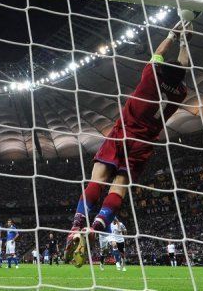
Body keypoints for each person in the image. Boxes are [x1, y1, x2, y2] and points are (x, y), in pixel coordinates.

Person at [65, 21, 192, 267]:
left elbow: (160, 54)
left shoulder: (151, 78)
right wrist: (186, 40)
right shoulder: (180, 94)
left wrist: (174, 35)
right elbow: (183, 67)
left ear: (163, 70)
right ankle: (98, 226)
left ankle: (77, 224)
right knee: (118, 189)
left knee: (97, 181)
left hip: (121, 135)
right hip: (142, 144)